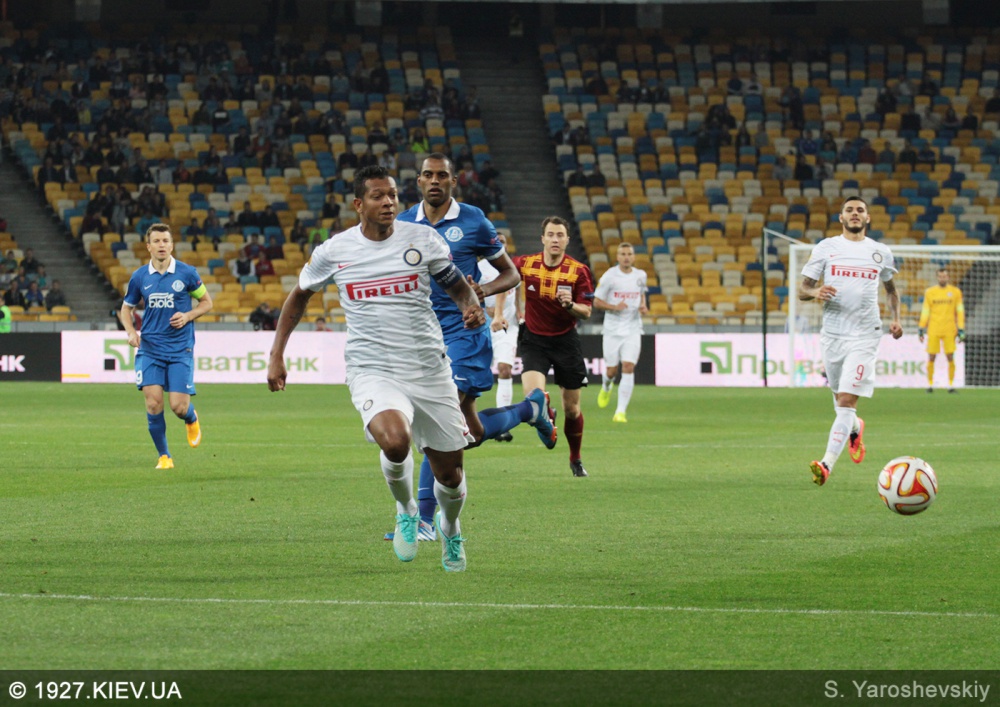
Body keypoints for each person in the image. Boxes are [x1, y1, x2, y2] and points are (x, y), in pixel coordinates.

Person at [267, 165, 485, 572]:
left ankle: (450, 529)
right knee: (395, 442)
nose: (388, 202)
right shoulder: (335, 250)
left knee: (451, 476)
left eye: (392, 195)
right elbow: (299, 296)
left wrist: (470, 306)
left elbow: (457, 285)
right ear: (358, 204)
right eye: (378, 196)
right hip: (372, 366)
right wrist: (277, 354)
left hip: (428, 367)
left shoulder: (423, 240)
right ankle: (407, 510)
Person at [386, 153, 556, 542]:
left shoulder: (473, 220)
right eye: (427, 175)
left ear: (453, 181)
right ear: (418, 181)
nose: (434, 181)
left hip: (465, 331)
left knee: (437, 418)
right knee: (470, 433)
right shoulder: (403, 223)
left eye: (441, 175)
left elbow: (511, 273)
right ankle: (531, 409)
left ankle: (423, 520)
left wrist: (483, 291)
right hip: (422, 337)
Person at [798, 196, 903, 486]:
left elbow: (891, 290)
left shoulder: (880, 252)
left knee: (846, 401)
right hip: (833, 335)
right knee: (840, 402)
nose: (854, 213)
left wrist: (896, 318)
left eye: (860, 210)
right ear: (841, 217)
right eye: (849, 210)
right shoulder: (826, 247)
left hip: (866, 334)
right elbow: (803, 289)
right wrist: (816, 292)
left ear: (867, 218)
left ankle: (826, 464)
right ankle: (856, 427)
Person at [120, 224, 214, 470]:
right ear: (148, 246)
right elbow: (126, 309)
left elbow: (206, 302)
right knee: (153, 404)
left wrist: (188, 316)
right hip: (150, 348)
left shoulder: (187, 273)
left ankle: (191, 418)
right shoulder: (140, 276)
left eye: (165, 241)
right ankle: (164, 456)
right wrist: (131, 332)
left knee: (178, 407)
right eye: (157, 241)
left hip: (180, 349)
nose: (161, 245)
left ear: (172, 245)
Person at [513, 216, 595, 477]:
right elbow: (504, 275)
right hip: (534, 339)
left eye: (560, 235)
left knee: (572, 410)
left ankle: (575, 458)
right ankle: (546, 414)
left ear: (567, 240)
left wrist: (570, 305)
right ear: (543, 239)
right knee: (533, 398)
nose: (555, 239)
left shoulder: (578, 271)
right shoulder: (526, 264)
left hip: (565, 341)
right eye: (551, 234)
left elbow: (587, 312)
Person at [593, 242, 649, 422]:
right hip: (612, 329)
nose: (626, 257)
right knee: (611, 371)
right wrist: (614, 307)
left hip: (633, 328)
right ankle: (606, 387)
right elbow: (596, 301)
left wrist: (643, 305)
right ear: (617, 257)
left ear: (634, 257)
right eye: (623, 254)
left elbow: (641, 293)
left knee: (628, 367)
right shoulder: (610, 276)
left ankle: (620, 412)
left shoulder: (641, 275)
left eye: (629, 254)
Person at [478, 232, 523, 441]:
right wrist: (483, 309)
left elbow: (517, 288)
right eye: (497, 241)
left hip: (508, 327)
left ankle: (503, 424)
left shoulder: (511, 267)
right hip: (484, 326)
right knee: (474, 377)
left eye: (504, 242)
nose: (501, 245)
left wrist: (520, 310)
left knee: (505, 369)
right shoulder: (479, 268)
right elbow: (469, 293)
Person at [918, 268, 965, 393]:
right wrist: (921, 327)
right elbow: (925, 310)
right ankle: (930, 384)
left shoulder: (955, 292)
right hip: (934, 328)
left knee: (950, 356)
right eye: (940, 276)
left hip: (949, 329)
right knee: (931, 356)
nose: (942, 278)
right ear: (937, 277)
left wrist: (961, 328)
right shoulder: (930, 292)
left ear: (948, 277)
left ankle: (951, 385)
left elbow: (960, 311)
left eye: (944, 276)